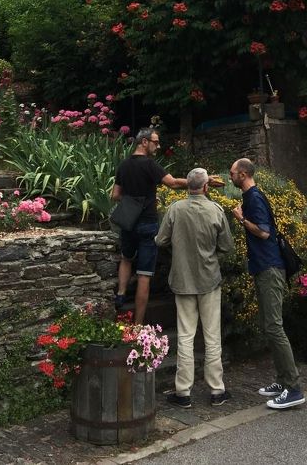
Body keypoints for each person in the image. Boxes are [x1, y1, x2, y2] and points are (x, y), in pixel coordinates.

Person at [155, 167, 234, 409]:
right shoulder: (215, 210)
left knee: (186, 335)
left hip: (183, 278)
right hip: (209, 278)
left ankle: (183, 392)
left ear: (187, 186)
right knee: (212, 336)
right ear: (206, 186)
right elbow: (227, 247)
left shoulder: (175, 209)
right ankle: (217, 390)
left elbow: (160, 240)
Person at [229, 157, 305, 410]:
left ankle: (293, 388)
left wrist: (241, 219)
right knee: (269, 325)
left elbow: (263, 231)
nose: (230, 177)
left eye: (232, 173)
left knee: (274, 326)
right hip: (265, 267)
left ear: (243, 174)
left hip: (270, 267)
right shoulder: (251, 196)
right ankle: (282, 381)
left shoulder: (254, 198)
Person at [112, 127, 187, 323]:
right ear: (144, 142)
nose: (158, 146)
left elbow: (115, 195)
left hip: (128, 222)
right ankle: (137, 325)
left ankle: (121, 293)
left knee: (126, 258)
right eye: (155, 142)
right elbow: (173, 183)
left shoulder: (124, 165)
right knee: (144, 274)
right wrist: (199, 182)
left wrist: (132, 201)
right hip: (147, 223)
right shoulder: (150, 165)